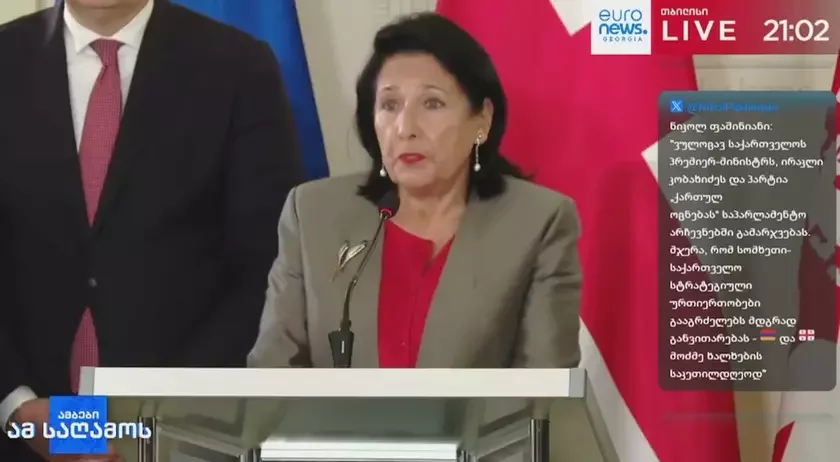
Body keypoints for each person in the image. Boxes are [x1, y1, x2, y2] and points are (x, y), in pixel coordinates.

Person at [0, 0, 303, 460]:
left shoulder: (238, 66)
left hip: (182, 434)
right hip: (21, 426)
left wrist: (159, 411)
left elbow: (267, 263)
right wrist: (17, 407)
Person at [248, 12, 582, 370]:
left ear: (482, 120)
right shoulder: (313, 213)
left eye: (432, 104)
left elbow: (545, 389)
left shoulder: (537, 223)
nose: (405, 127)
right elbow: (271, 374)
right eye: (389, 105)